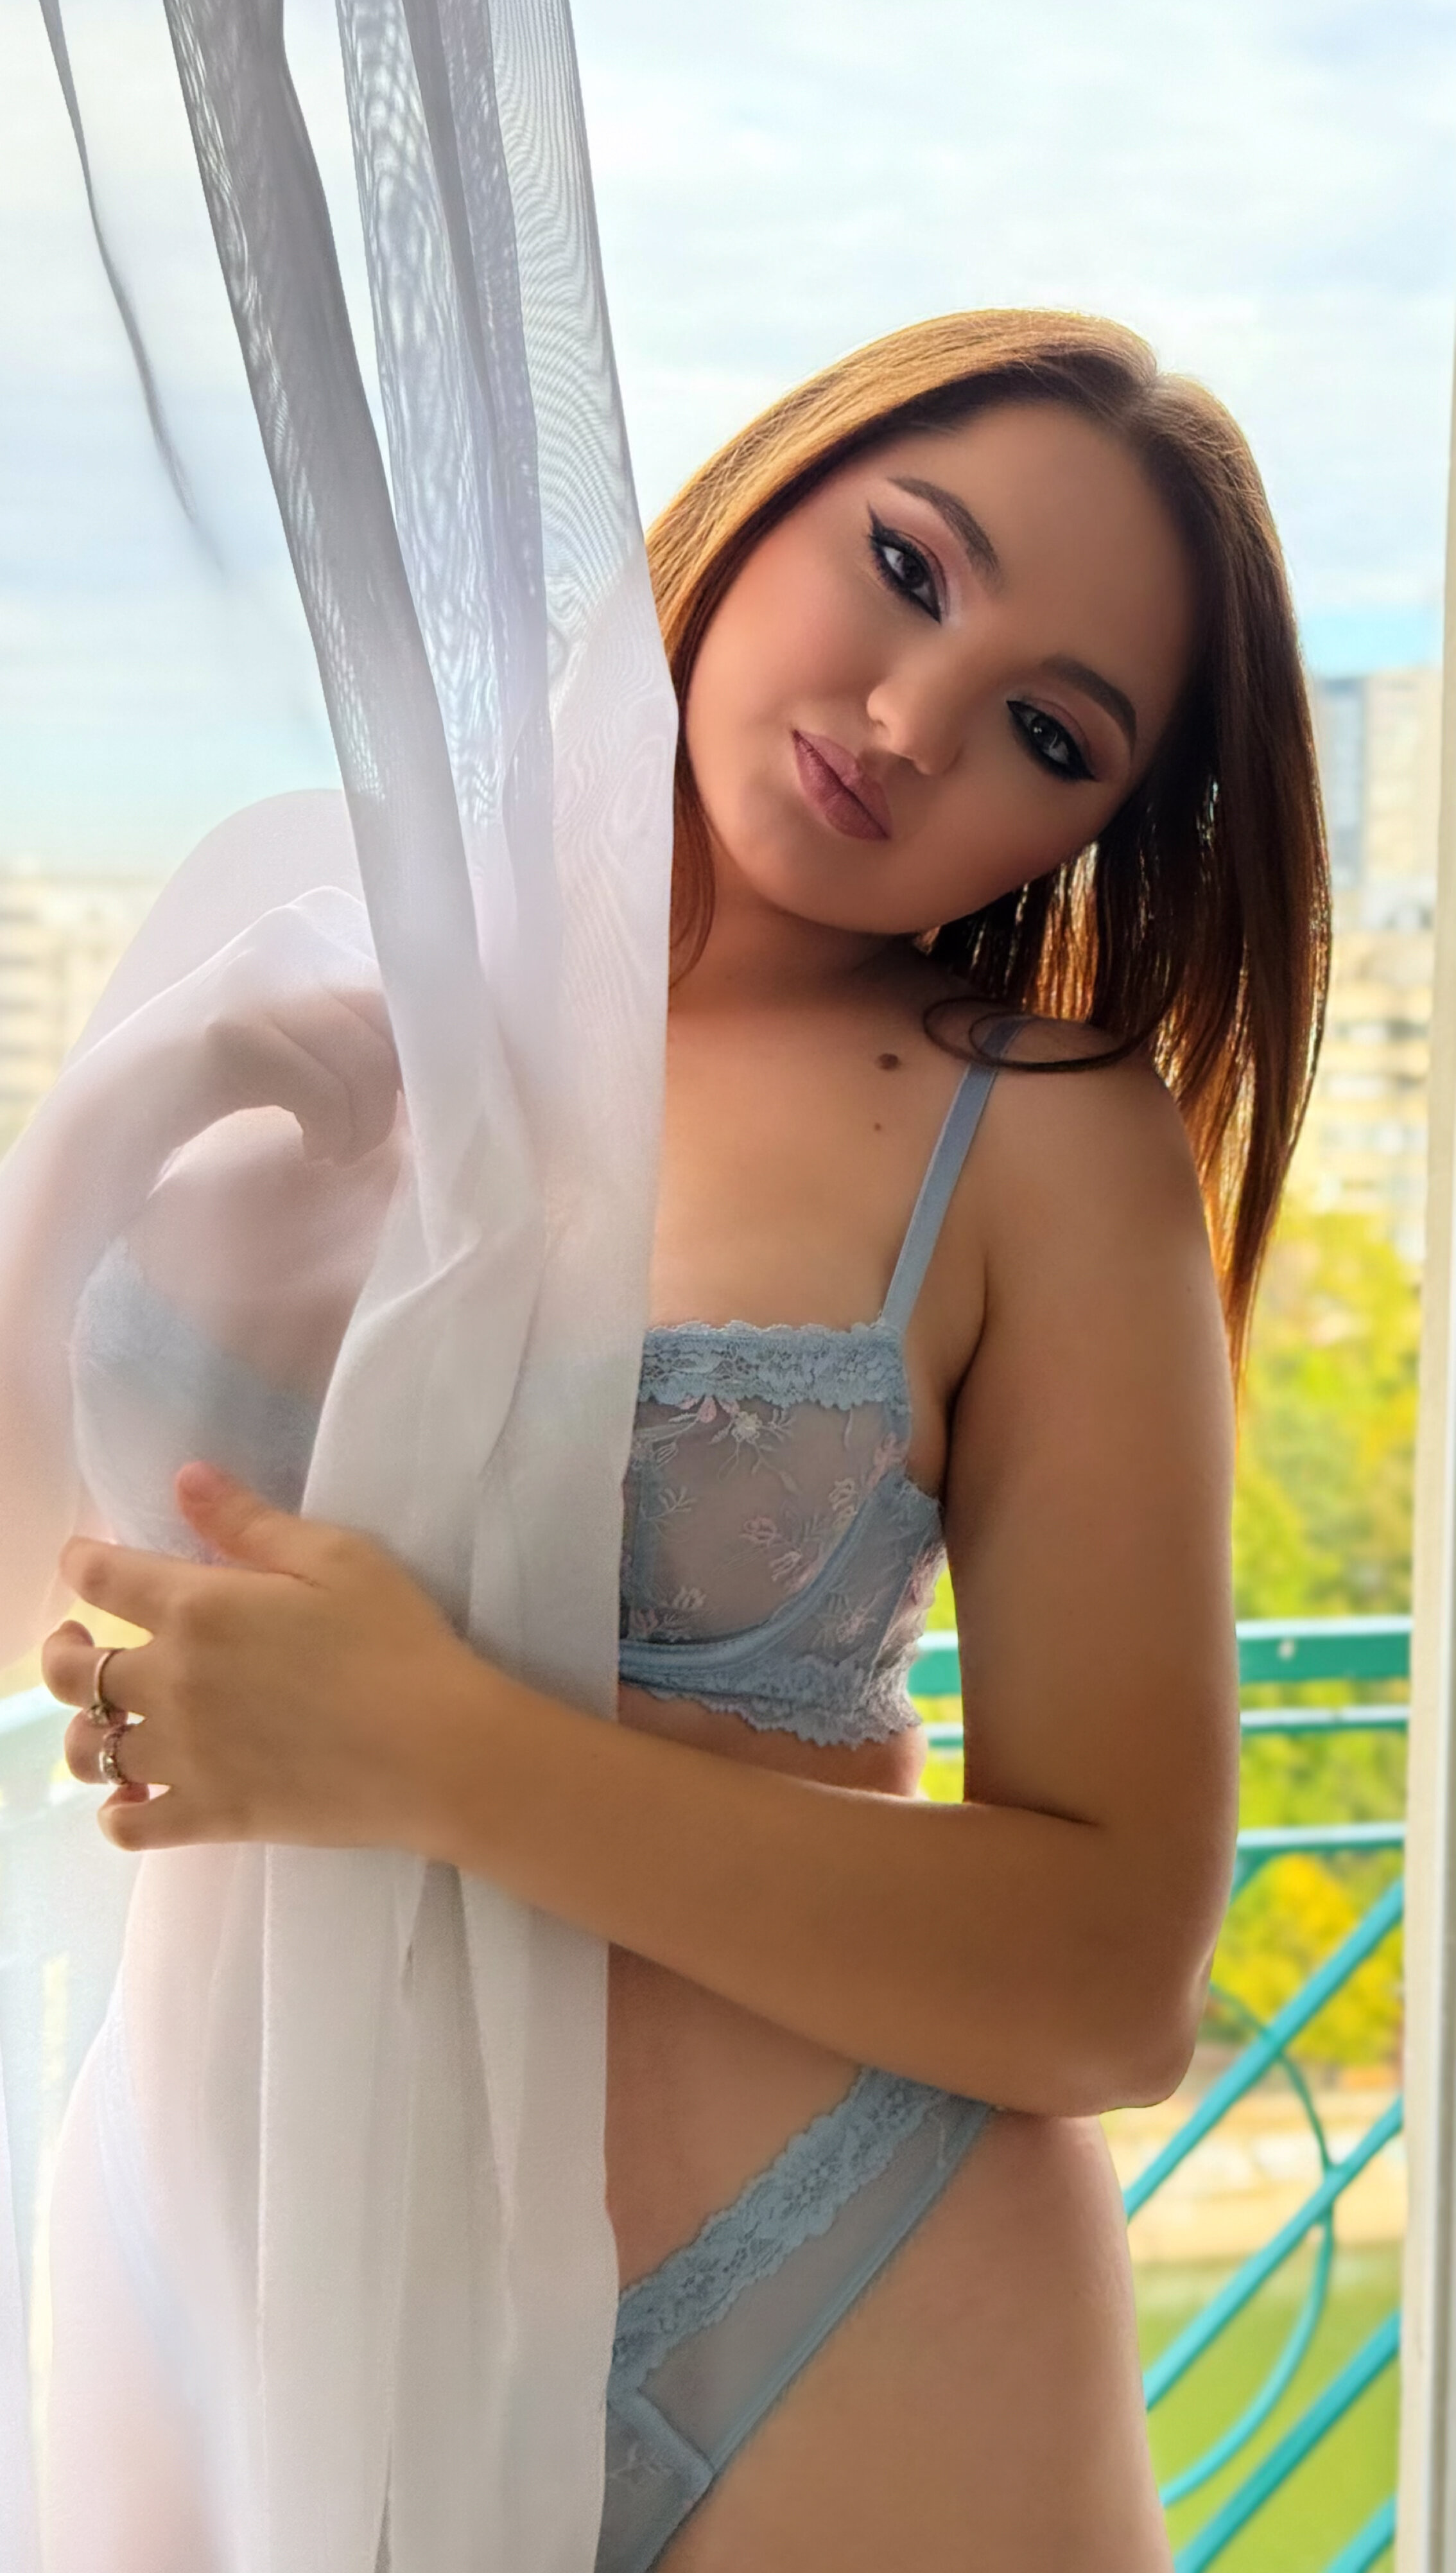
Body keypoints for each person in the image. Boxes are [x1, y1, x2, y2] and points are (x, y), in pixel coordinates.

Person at [41, 308, 1327, 2571]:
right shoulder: (297, 924)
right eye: (907, 567)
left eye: (1046, 732)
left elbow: (1115, 1975)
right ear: (769, 491)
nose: (910, 721)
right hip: (225, 2274)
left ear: (1093, 827)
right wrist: (125, 1114)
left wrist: (439, 1754)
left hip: (813, 2308)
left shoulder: (1034, 1139)